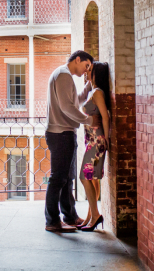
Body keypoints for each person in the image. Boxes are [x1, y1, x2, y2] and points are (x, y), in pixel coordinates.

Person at [44, 50, 94, 232]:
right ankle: (52, 221)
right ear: (77, 59)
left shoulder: (63, 75)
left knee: (67, 178)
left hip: (64, 133)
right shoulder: (64, 75)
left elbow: (73, 102)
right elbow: (67, 108)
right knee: (58, 179)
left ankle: (70, 216)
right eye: (86, 65)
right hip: (61, 134)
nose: (86, 70)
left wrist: (87, 89)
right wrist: (88, 120)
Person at [77, 62, 111, 231]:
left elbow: (105, 116)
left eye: (89, 71)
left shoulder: (98, 93)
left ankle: (96, 215)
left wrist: (107, 138)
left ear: (97, 74)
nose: (86, 73)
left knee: (84, 177)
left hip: (97, 141)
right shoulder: (92, 90)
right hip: (90, 140)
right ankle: (91, 216)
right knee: (90, 178)